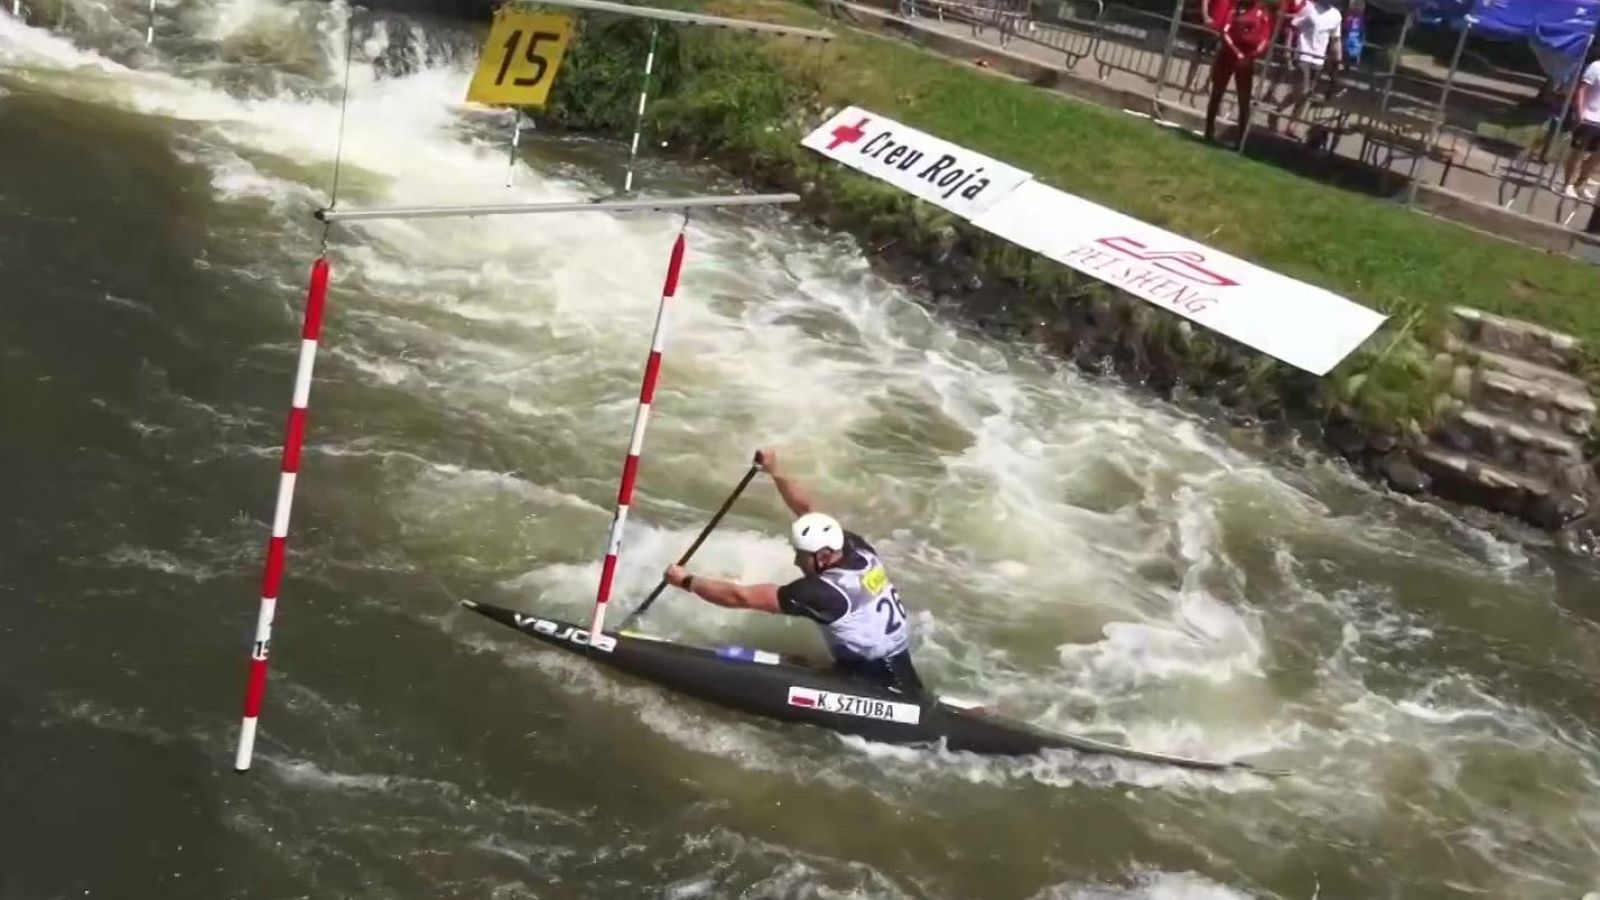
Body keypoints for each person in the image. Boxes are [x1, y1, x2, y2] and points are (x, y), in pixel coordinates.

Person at [662, 447, 927, 697]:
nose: (796, 562)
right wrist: (775, 471)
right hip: (898, 667)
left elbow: (740, 597)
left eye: (801, 556)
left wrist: (686, 581)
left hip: (874, 686)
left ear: (823, 557)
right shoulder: (857, 548)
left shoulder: (822, 593)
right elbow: (807, 511)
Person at [1204, 0, 1274, 145]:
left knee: (1244, 99)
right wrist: (1237, 53)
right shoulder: (1235, 8)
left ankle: (1241, 139)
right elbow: (1225, 31)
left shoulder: (1261, 11)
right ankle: (1209, 131)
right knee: (1217, 92)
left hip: (1247, 59)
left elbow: (1265, 38)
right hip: (1228, 56)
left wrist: (1252, 55)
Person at [1269, 0, 1341, 136]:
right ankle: (1277, 111)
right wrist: (1288, 51)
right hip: (1303, 55)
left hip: (1318, 59)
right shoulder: (1309, 8)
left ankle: (1291, 125)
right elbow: (1293, 27)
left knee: (1307, 94)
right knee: (1303, 90)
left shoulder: (1336, 15)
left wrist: (1338, 60)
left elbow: (1336, 40)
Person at [1560, 51, 1600, 200]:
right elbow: (1582, 89)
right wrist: (1579, 111)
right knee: (1578, 152)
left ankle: (1580, 184)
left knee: (1597, 156)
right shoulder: (1596, 66)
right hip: (1588, 117)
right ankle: (1568, 184)